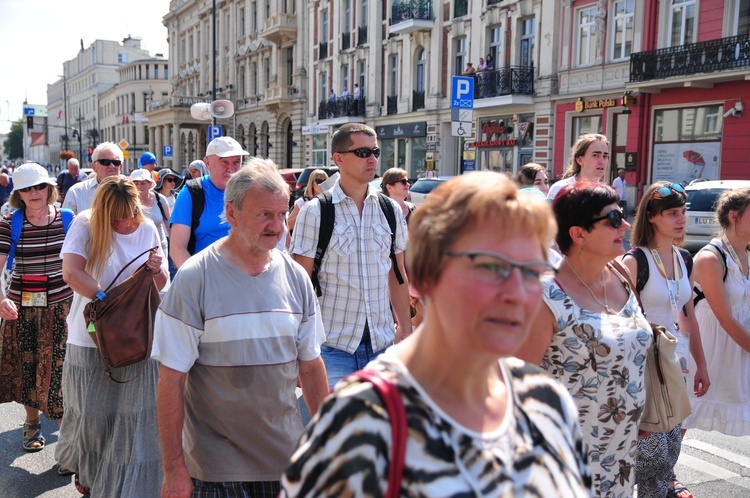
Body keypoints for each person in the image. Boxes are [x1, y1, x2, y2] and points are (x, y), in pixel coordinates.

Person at [281, 172, 591, 497]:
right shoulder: (364, 418)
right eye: (490, 267)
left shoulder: (547, 401)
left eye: (531, 270)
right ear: (428, 277)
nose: (516, 292)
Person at [154, 159, 329, 497]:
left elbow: (310, 368)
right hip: (216, 471)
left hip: (287, 464)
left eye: (282, 214)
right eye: (265, 214)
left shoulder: (295, 278)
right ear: (232, 214)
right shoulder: (194, 278)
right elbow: (171, 380)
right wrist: (173, 467)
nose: (277, 226)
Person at [516, 181, 650, 497]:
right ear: (579, 234)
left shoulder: (621, 274)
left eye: (624, 214)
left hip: (621, 454)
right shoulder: (546, 296)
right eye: (614, 219)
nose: (627, 225)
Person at [56, 175, 168, 497]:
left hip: (138, 337)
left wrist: (156, 268)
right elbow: (71, 272)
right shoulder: (85, 224)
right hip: (91, 334)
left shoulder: (147, 228)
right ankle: (90, 475)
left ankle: (120, 486)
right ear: (103, 210)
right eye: (117, 216)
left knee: (133, 419)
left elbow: (161, 284)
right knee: (92, 415)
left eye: (131, 212)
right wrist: (106, 300)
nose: (125, 222)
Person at [290, 123, 410, 390]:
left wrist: (406, 332)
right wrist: (299, 351)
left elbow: (398, 275)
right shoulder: (316, 212)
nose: (372, 159)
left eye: (375, 151)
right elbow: (300, 285)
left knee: (382, 430)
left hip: (382, 346)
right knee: (337, 431)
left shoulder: (390, 210)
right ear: (338, 158)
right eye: (363, 152)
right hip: (332, 348)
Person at [623, 181, 709, 498]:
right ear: (652, 217)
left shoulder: (684, 258)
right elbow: (620, 323)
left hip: (675, 367)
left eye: (682, 212)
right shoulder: (634, 262)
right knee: (651, 461)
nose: (680, 219)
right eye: (672, 213)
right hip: (645, 370)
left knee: (668, 455)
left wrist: (701, 364)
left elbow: (689, 318)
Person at [0, 163, 73, 468]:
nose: (35, 194)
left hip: (62, 308)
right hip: (22, 309)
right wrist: (1, 298)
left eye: (39, 187)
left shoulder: (68, 219)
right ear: (18, 194)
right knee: (28, 369)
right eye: (27, 189)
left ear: (49, 188)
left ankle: (68, 443)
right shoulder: (10, 223)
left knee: (62, 374)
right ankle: (32, 424)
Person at [685, 186, 750, 438]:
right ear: (734, 216)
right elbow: (725, 318)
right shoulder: (711, 258)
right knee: (684, 416)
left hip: (737, 346)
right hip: (709, 346)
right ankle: (662, 475)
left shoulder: (745, 253)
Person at [170, 136, 247, 269]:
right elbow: (177, 248)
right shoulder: (192, 192)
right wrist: (195, 282)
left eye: (236, 162)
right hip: (203, 277)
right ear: (208, 163)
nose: (232, 169)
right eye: (224, 162)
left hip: (245, 278)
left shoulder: (250, 192)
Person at [62, 142, 124, 214]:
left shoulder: (130, 192)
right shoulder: (76, 192)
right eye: (105, 162)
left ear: (121, 166)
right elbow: (66, 223)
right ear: (94, 167)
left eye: (116, 162)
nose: (112, 166)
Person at [547, 133, 610, 200]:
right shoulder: (560, 188)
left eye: (605, 156)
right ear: (579, 160)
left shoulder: (607, 194)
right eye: (595, 155)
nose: (602, 161)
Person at [130, 169, 170, 260]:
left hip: (159, 248)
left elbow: (169, 227)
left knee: (162, 273)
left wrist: (175, 250)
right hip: (137, 250)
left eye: (143, 183)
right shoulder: (129, 202)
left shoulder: (160, 199)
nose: (139, 186)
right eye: (136, 183)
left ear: (150, 184)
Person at [287, 169, 328, 235]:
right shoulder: (303, 202)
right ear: (312, 183)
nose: (322, 184)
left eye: (325, 181)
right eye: (319, 181)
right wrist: (303, 212)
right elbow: (288, 225)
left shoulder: (329, 201)